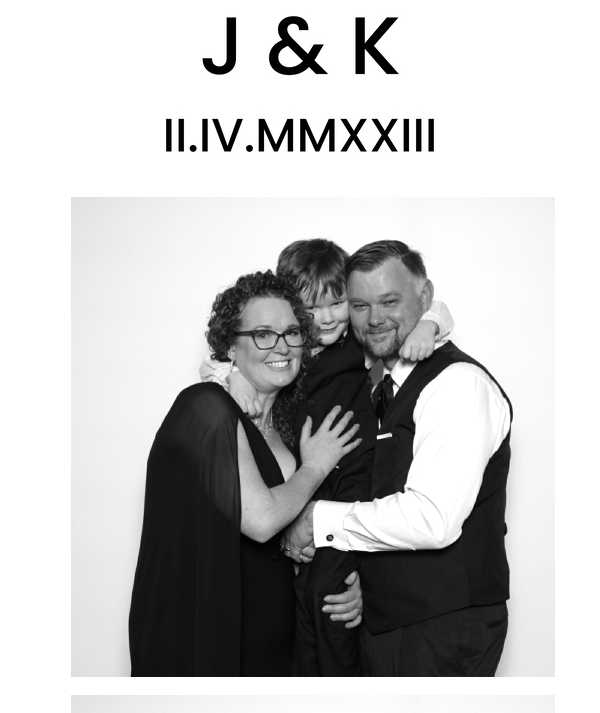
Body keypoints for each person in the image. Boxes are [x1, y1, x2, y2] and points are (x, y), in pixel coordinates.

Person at [202, 238, 453, 676]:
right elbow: (218, 360)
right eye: (311, 309)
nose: (327, 318)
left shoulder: (360, 345)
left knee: (329, 594)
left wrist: (426, 327)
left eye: (338, 303)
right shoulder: (288, 354)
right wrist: (232, 375)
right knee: (304, 595)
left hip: (355, 484)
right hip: (309, 489)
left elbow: (435, 310)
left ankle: (342, 680)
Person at [283, 239, 513, 678]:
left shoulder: (457, 385)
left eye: (389, 301)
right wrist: (361, 583)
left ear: (424, 298)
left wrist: (317, 519)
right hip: (385, 623)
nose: (374, 318)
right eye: (360, 305)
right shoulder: (378, 382)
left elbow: (432, 519)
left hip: (442, 627)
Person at [128, 269, 362, 676]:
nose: (282, 346)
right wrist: (315, 466)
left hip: (279, 636)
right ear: (230, 348)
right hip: (207, 627)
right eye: (263, 334)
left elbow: (294, 534)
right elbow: (262, 520)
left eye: (292, 332)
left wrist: (347, 582)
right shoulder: (205, 407)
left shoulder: (291, 422)